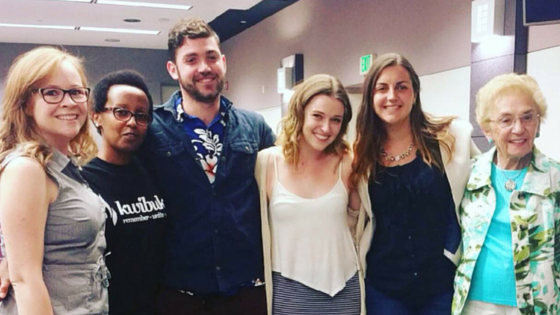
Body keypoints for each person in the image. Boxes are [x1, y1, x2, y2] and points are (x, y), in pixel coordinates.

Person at [138, 17, 275, 315]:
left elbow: (284, 189)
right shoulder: (151, 130)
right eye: (191, 59)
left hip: (246, 291)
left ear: (223, 62)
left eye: (211, 57)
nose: (204, 67)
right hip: (179, 293)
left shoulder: (255, 126)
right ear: (173, 70)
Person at [351, 53, 479, 315]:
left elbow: (484, 185)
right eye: (382, 88)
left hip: (440, 284)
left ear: (414, 93)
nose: (392, 96)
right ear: (371, 97)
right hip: (384, 288)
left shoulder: (450, 139)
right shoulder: (361, 154)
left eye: (401, 87)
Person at [0, 46, 108, 314]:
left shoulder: (63, 167)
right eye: (51, 92)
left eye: (75, 91)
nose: (69, 102)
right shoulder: (26, 169)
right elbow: (25, 281)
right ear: (25, 103)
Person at [255, 74, 365, 315]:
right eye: (317, 116)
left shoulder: (349, 162)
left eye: (335, 120)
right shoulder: (266, 163)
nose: (326, 128)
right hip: (289, 293)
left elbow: (361, 227)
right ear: (300, 113)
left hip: (344, 291)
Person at [452, 74, 560, 315]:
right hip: (474, 304)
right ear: (487, 129)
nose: (519, 129)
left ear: (538, 123)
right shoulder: (469, 174)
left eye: (527, 117)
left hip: (537, 307)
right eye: (506, 120)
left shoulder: (555, 178)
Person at [81, 70, 166, 315]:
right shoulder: (83, 181)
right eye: (121, 112)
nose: (132, 122)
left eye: (141, 115)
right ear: (96, 116)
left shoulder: (155, 173)